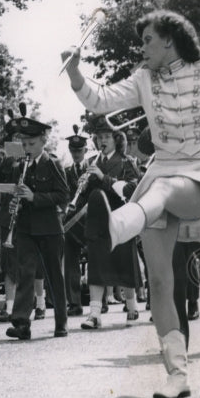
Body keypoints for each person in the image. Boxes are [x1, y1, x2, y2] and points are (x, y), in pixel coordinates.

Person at [62, 9, 200, 398]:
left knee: (164, 192)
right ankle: (177, 374)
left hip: (198, 175)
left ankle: (118, 226)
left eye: (148, 40)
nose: (142, 48)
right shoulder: (142, 78)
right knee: (161, 282)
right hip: (157, 179)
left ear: (170, 39)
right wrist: (75, 72)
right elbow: (100, 101)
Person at [2, 105, 70, 341]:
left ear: (43, 141)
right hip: (26, 228)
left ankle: (61, 322)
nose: (27, 149)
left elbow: (63, 196)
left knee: (54, 275)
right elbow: (15, 193)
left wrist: (34, 197)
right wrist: (15, 203)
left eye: (31, 144)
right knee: (25, 273)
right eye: (24, 145)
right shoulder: (19, 166)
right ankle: (21, 323)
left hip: (50, 228)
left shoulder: (53, 164)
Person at [78, 116, 143, 330]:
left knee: (124, 263)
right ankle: (94, 313)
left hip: (120, 218)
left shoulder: (126, 162)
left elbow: (132, 190)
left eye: (107, 137)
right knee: (96, 265)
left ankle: (132, 307)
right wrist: (83, 185)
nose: (102, 141)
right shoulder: (90, 163)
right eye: (99, 138)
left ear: (116, 139)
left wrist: (104, 178)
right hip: (97, 222)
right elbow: (85, 197)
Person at [62, 125, 91, 317]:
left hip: (90, 219)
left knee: (95, 260)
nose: (76, 154)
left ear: (86, 150)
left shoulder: (93, 168)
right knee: (70, 263)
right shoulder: (65, 171)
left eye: (79, 150)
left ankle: (100, 301)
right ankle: (74, 302)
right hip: (71, 222)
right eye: (73, 151)